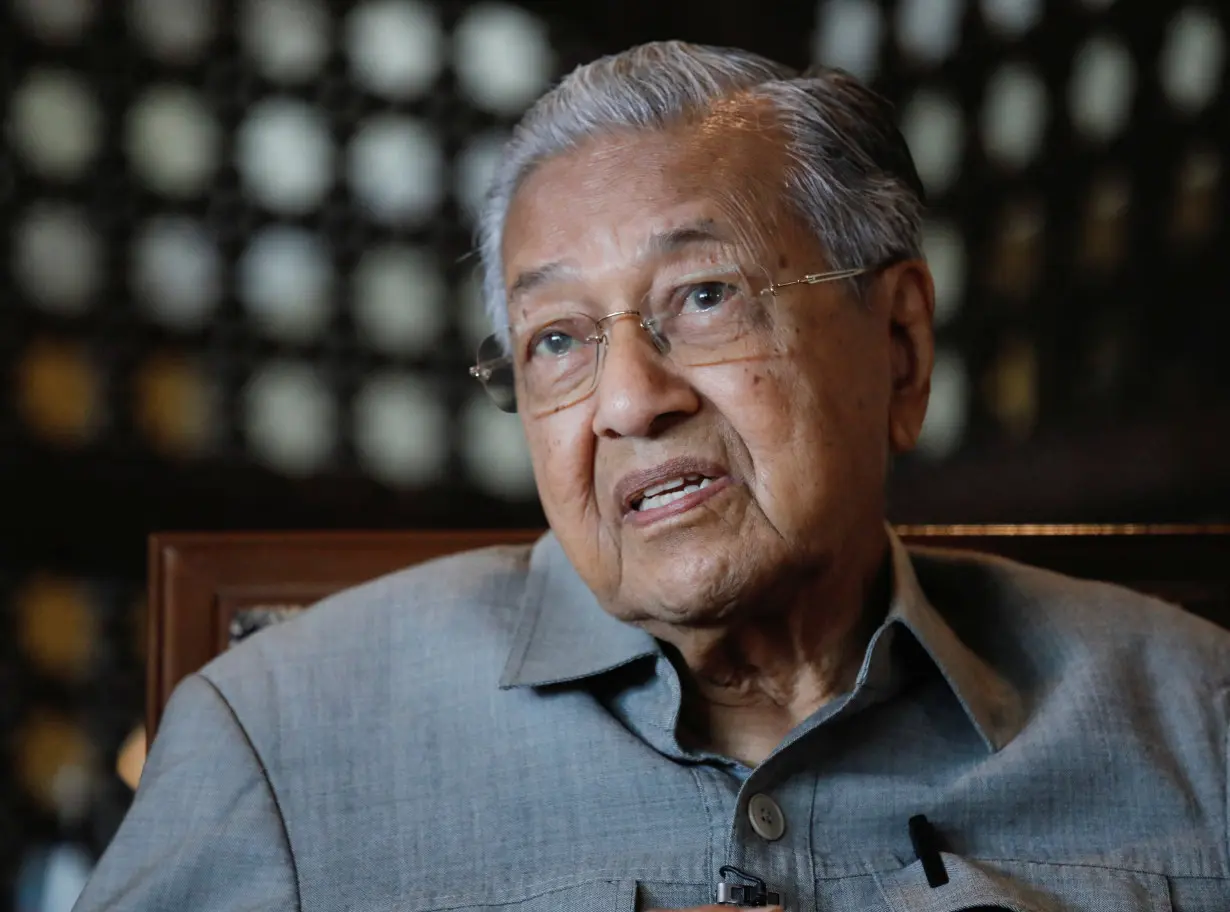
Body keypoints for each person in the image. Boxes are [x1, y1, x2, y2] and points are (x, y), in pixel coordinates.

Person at [74, 41, 1229, 912]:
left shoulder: (1193, 720)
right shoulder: (280, 736)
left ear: (901, 346)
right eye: (559, 341)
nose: (630, 401)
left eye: (706, 297)